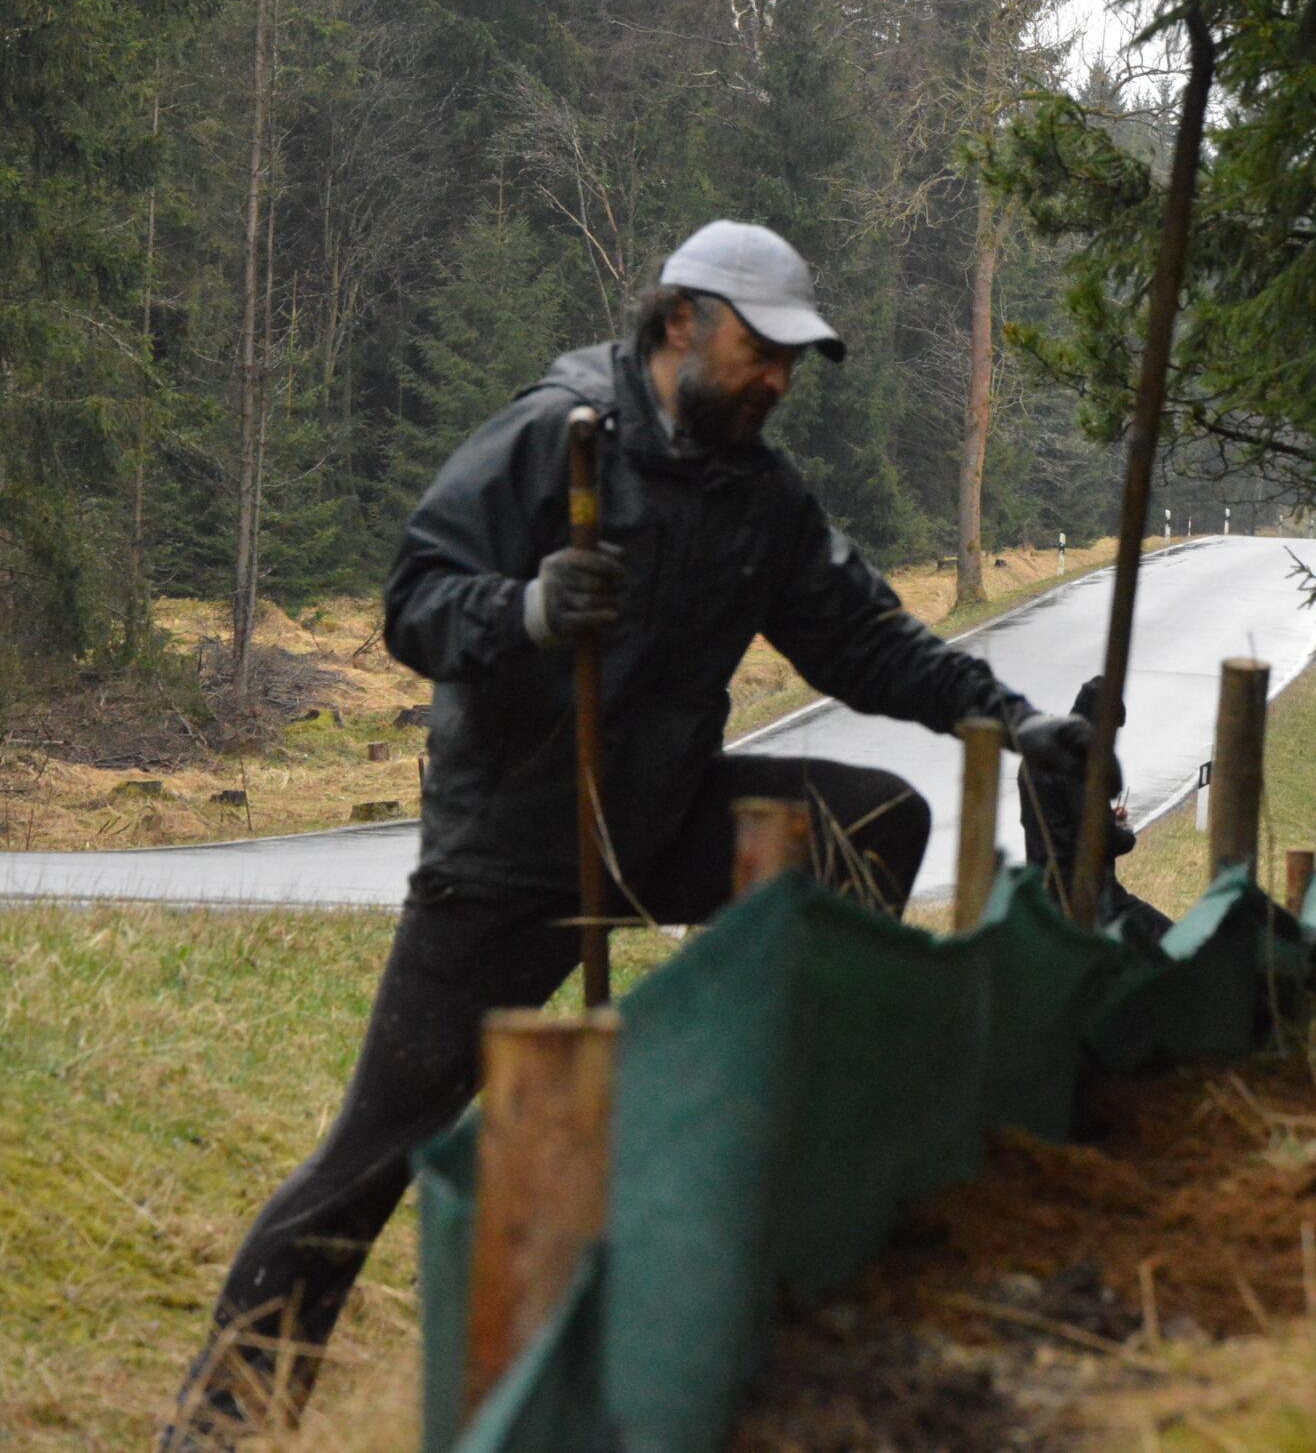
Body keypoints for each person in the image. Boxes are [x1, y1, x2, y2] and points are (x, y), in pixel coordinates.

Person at [162, 220, 1095, 1448]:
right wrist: (529, 609)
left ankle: (752, 1097)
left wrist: (1012, 719)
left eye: (792, 364)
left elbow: (863, 638)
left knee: (871, 822)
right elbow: (414, 600)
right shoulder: (556, 432)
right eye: (760, 353)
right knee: (375, 1153)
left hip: (655, 817)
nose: (776, 381)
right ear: (678, 326)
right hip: (512, 851)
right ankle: (221, 1425)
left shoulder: (758, 494)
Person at [1019, 676, 1173, 943]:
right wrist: (1125, 833)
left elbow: (1056, 816)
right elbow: (1099, 838)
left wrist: (1105, 816)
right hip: (1088, 896)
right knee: (1174, 943)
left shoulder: (1037, 754)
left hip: (1043, 894)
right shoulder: (1081, 762)